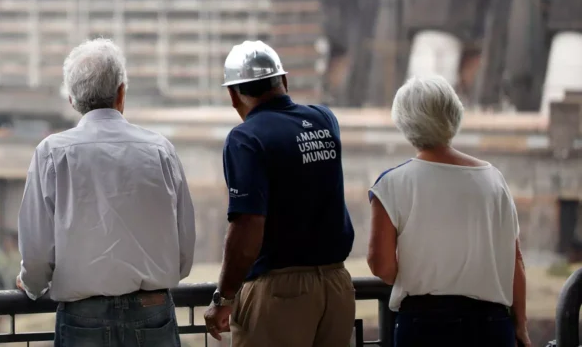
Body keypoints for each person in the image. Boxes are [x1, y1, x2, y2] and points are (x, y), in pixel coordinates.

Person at [17, 38, 196, 347]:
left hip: (82, 317)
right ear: (121, 93)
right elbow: (184, 246)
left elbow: (36, 251)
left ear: (72, 100)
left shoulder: (51, 153)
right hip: (152, 311)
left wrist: (32, 285)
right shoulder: (160, 150)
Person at [204, 40, 356, 347]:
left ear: (233, 94)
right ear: (283, 81)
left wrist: (224, 296)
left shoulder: (245, 138)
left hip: (281, 293)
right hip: (337, 286)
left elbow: (247, 226)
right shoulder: (324, 120)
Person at [367, 75, 530, 347]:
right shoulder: (493, 179)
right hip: (492, 327)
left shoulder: (392, 184)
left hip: (425, 325)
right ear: (454, 115)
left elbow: (381, 264)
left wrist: (423, 276)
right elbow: (515, 260)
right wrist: (521, 325)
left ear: (405, 122)